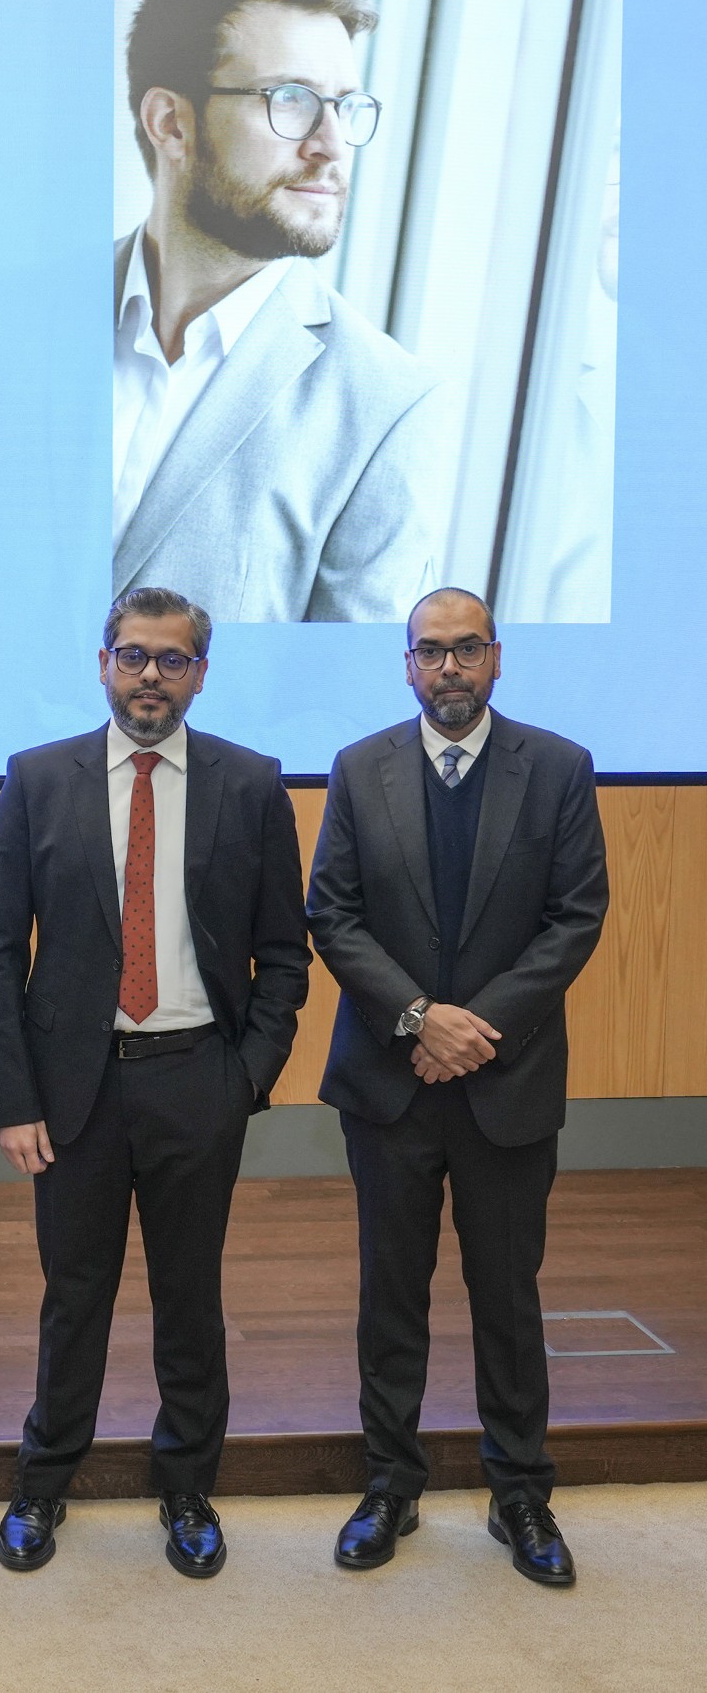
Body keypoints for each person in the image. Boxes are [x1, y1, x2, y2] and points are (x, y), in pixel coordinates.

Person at [0, 587, 310, 1578]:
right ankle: (43, 1485)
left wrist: (246, 1079)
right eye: (134, 656)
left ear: (200, 672)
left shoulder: (250, 785)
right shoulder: (39, 780)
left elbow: (282, 955)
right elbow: (0, 954)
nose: (150, 676)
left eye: (171, 660)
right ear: (103, 663)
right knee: (73, 1295)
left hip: (195, 1078)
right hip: (75, 1089)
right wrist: (16, 1100)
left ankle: (188, 1488)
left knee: (187, 1296)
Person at [306, 587, 607, 1585]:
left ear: (497, 658)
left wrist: (474, 1030)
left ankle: (519, 1492)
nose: (448, 667)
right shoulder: (360, 769)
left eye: (466, 649)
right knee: (390, 1296)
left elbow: (575, 916)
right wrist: (418, 1020)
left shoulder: (558, 768)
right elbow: (334, 915)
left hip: (505, 1080)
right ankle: (391, 1484)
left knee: (506, 1298)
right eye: (429, 651)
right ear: (405, 665)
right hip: (390, 1084)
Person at [114, 0, 442, 621]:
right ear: (171, 124)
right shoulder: (1, 320)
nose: (332, 143)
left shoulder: (384, 407)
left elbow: (341, 691)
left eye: (345, 106)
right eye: (291, 101)